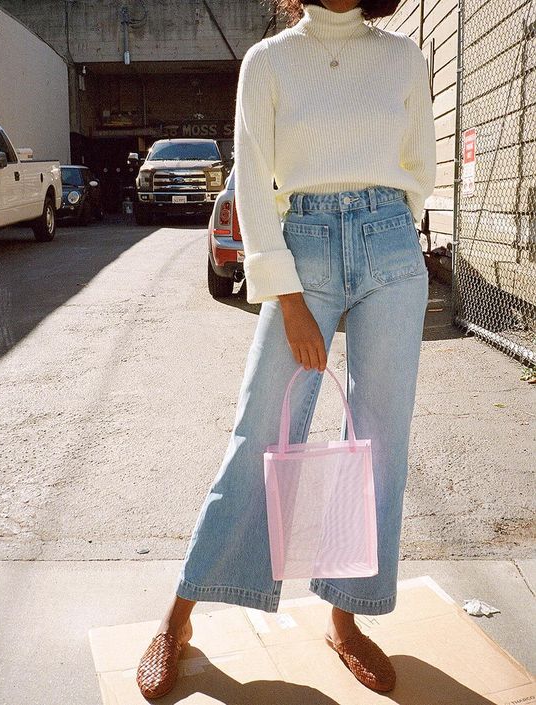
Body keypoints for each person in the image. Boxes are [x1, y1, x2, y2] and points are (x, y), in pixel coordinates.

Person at [136, 0, 436, 696]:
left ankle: (346, 616)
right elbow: (255, 181)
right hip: (301, 250)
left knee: (378, 441)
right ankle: (178, 615)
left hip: (389, 246)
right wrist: (291, 295)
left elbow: (417, 169)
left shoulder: (403, 58)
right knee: (259, 431)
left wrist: (381, 235)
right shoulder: (268, 62)